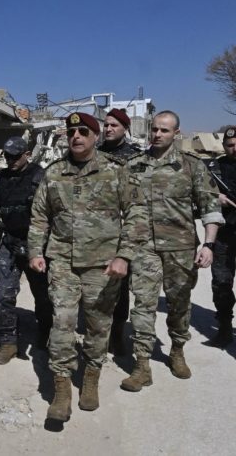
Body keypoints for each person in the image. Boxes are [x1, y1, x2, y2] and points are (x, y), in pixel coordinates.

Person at [28, 112, 147, 421]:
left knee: (98, 325)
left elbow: (136, 212)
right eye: (71, 132)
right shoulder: (54, 173)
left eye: (83, 131)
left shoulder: (116, 171)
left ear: (96, 136)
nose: (76, 137)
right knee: (62, 322)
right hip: (63, 262)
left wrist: (124, 256)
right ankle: (62, 388)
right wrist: (35, 252)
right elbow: (40, 216)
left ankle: (91, 376)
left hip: (102, 265)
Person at [121, 110, 224, 392]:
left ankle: (177, 349)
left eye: (164, 130)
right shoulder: (133, 165)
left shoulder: (192, 166)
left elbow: (210, 207)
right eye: (154, 129)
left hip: (181, 248)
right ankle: (142, 364)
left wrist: (209, 245)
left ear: (176, 133)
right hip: (144, 248)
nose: (157, 134)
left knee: (179, 304)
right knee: (143, 304)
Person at [0, 136, 52, 365]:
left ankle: (46, 332)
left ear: (27, 155)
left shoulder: (40, 177)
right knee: (4, 295)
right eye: (7, 157)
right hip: (9, 243)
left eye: (15, 157)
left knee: (44, 295)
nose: (10, 161)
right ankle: (8, 341)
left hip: (36, 245)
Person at [99, 108, 143, 356]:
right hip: (97, 230)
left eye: (114, 125)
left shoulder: (136, 157)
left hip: (125, 230)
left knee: (121, 285)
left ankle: (117, 333)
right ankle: (98, 329)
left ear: (125, 128)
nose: (108, 129)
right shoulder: (94, 153)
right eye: (106, 125)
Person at [205, 127, 236, 347]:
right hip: (224, 235)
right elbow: (201, 192)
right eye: (230, 145)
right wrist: (216, 198)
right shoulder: (213, 168)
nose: (234, 149)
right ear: (224, 146)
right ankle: (224, 327)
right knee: (221, 283)